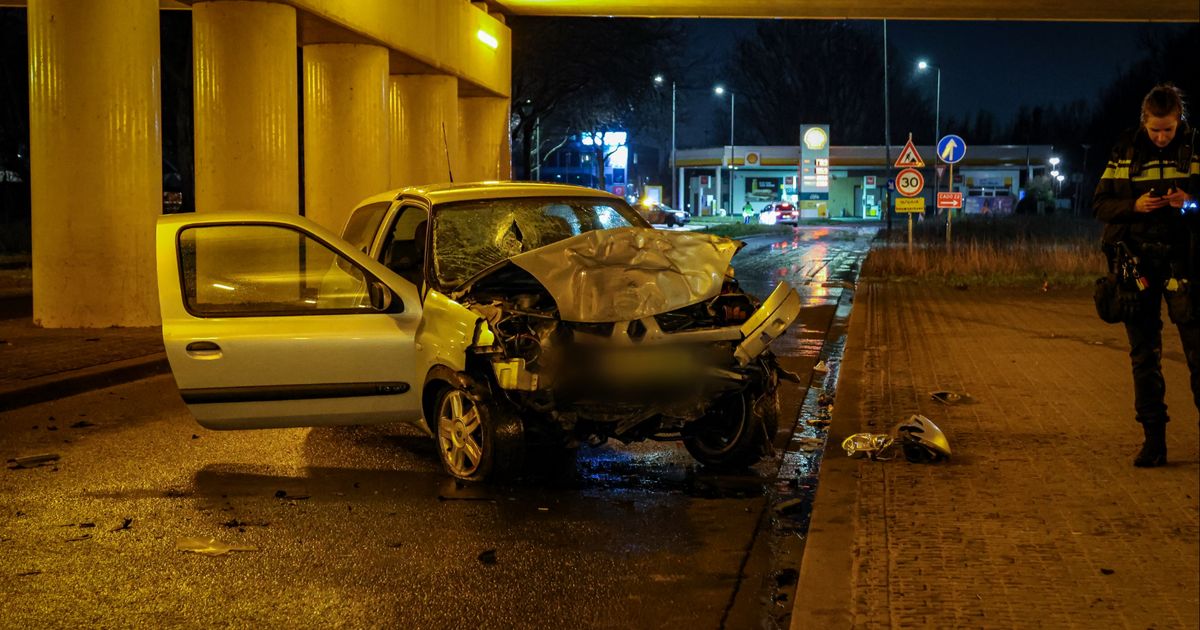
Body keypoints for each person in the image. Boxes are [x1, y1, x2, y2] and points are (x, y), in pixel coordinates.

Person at [1093, 83, 1200, 467]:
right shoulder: (1125, 150)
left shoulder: (1195, 149)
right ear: (1144, 121)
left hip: (1185, 264)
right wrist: (1135, 206)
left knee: (1198, 355)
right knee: (1144, 356)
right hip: (1136, 265)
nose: (1161, 137)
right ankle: (1154, 442)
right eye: (1155, 129)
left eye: (1168, 129)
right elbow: (1100, 204)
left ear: (1179, 120)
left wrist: (1190, 202)